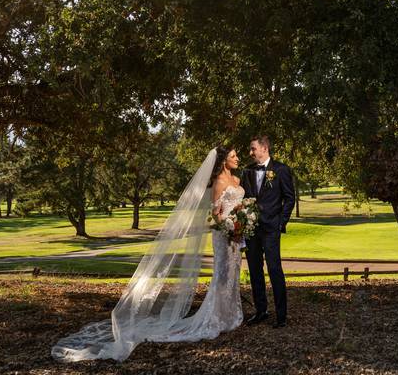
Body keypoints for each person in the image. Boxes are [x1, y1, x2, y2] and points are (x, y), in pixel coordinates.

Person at [52, 146, 246, 362]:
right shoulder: (219, 183)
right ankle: (217, 317)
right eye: (233, 156)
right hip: (224, 235)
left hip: (237, 236)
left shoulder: (237, 180)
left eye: (237, 155)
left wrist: (243, 222)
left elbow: (240, 207)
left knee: (233, 273)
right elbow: (216, 214)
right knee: (221, 274)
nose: (237, 158)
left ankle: (231, 315)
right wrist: (230, 226)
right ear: (222, 160)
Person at [241, 135, 295, 328]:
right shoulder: (247, 171)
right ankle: (261, 311)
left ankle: (281, 315)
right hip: (252, 230)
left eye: (253, 148)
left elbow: (289, 198)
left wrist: (281, 222)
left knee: (274, 270)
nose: (250, 152)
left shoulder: (281, 169)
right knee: (255, 271)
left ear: (264, 148)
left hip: (271, 228)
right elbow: (243, 199)